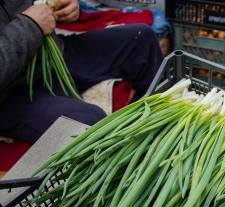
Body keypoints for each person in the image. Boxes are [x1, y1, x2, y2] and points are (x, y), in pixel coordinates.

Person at [0, 0, 163, 143]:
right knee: (88, 122)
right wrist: (31, 24)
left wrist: (65, 8)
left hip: (53, 54)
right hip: (13, 91)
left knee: (141, 40)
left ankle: (164, 125)